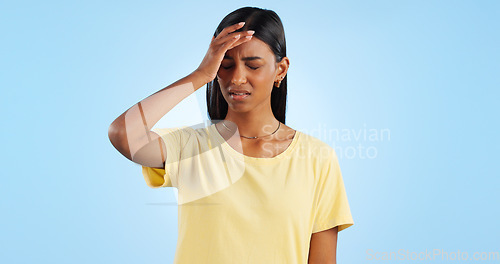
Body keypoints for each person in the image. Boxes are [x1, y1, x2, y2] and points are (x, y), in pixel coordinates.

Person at [108, 6, 354, 264]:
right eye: (226, 65)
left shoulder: (317, 158)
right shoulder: (190, 147)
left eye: (253, 66)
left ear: (280, 70)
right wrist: (201, 74)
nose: (237, 78)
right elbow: (123, 133)